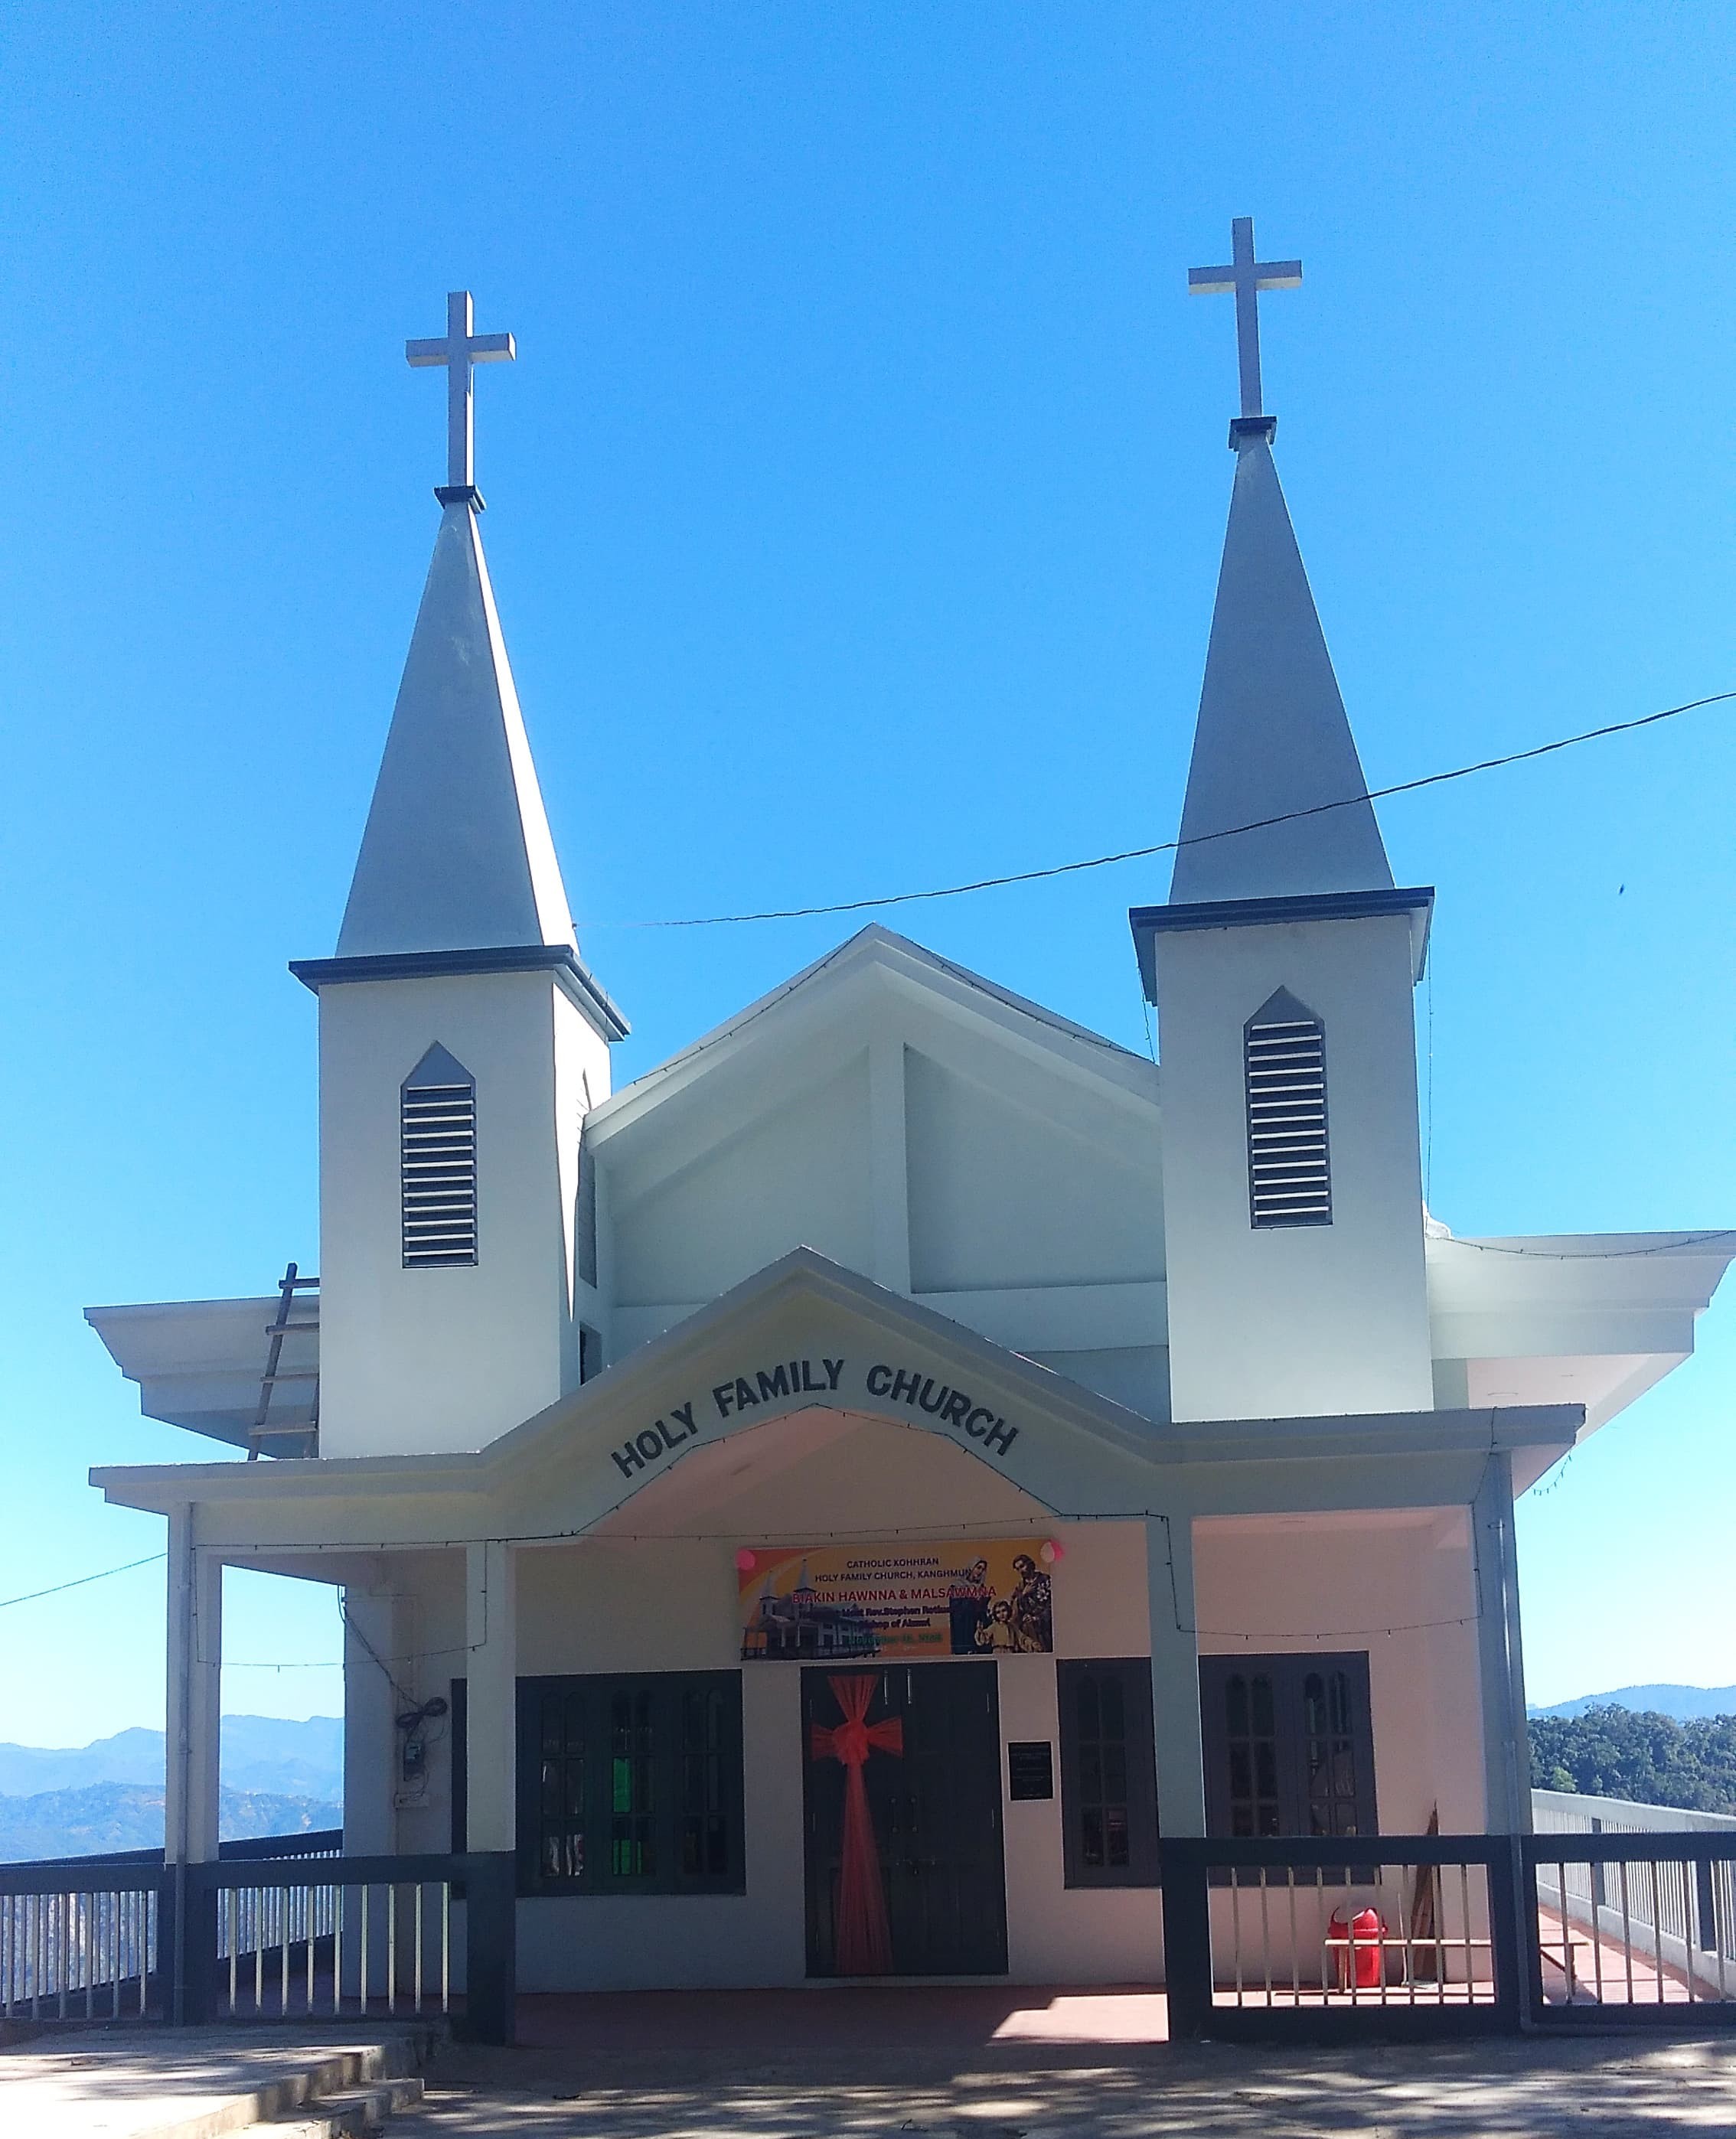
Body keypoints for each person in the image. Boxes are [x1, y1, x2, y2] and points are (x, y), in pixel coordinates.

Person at [947, 1557, 992, 1655]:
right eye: (978, 1567)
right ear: (972, 1568)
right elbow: (955, 1609)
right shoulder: (958, 1585)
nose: (980, 1571)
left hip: (977, 1627)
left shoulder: (982, 1588)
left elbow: (983, 1611)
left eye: (983, 1569)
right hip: (963, 1628)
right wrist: (972, 1600)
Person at [1010, 1554, 1052, 1653]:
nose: (1021, 1571)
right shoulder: (1020, 1587)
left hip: (1045, 1627)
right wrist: (1024, 1594)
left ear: (1029, 1564)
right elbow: (1014, 1607)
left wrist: (1037, 1618)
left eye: (1022, 1566)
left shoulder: (1045, 1580)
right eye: (1018, 1569)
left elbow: (1052, 1605)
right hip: (1028, 1629)